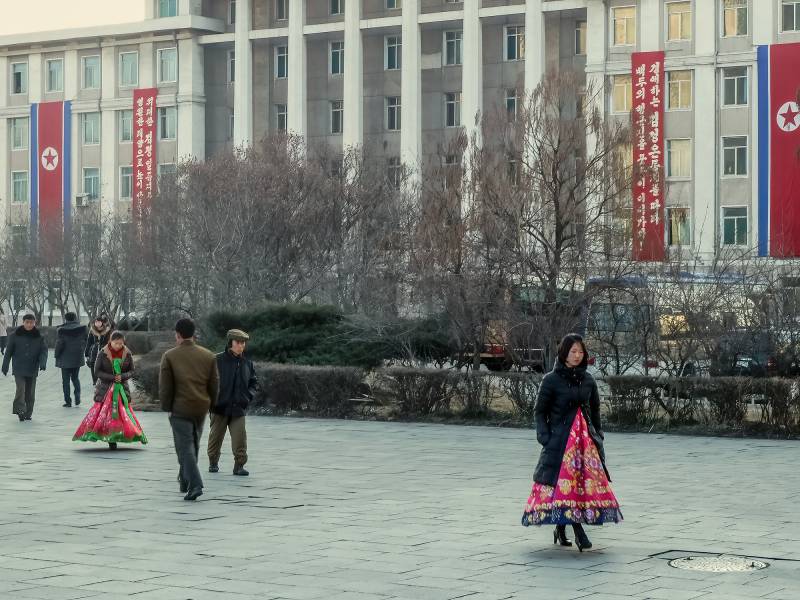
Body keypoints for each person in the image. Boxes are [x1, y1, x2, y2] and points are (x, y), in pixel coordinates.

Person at [521, 333, 622, 551]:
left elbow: (595, 410)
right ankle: (578, 531)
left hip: (585, 445)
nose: (577, 356)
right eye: (573, 351)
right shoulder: (551, 380)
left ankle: (560, 527)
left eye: (580, 352)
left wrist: (598, 433)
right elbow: (540, 412)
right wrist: (544, 436)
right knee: (564, 484)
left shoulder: (588, 380)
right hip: (560, 442)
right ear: (564, 353)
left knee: (579, 486)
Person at [160, 318, 219, 501]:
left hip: (180, 408)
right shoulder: (208, 355)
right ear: (193, 334)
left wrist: (167, 407)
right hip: (201, 408)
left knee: (184, 447)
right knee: (193, 444)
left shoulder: (169, 356)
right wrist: (213, 404)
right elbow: (214, 384)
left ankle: (195, 484)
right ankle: (185, 479)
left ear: (177, 334)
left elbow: (166, 387)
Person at [73, 331, 148, 449]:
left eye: (121, 343)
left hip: (121, 389)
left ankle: (121, 434)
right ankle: (108, 437)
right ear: (110, 342)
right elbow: (97, 371)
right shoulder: (102, 353)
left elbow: (132, 371)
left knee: (122, 413)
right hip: (105, 389)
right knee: (105, 413)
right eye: (116, 343)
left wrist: (122, 377)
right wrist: (113, 378)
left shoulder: (127, 353)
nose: (118, 345)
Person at [208, 329, 258, 477]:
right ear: (231, 343)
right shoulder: (217, 360)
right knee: (215, 438)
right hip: (219, 408)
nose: (241, 346)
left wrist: (247, 397)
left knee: (240, 439)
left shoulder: (247, 363)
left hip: (238, 409)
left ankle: (239, 466)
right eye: (238, 342)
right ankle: (213, 462)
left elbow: (254, 383)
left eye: (243, 343)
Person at [1, 314, 48, 421]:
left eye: (31, 322)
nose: (29, 324)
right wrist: (5, 366)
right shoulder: (14, 335)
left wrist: (43, 363)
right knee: (20, 389)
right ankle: (20, 410)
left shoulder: (39, 336)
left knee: (30, 392)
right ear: (23, 322)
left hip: (32, 367)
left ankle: (28, 412)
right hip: (19, 367)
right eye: (27, 322)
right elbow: (8, 352)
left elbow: (43, 351)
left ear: (34, 323)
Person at [55, 312, 88, 407]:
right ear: (75, 318)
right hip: (77, 357)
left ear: (66, 319)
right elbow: (85, 340)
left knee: (65, 381)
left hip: (65, 358)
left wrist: (57, 355)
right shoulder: (82, 328)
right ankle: (77, 397)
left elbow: (59, 344)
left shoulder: (61, 330)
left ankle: (68, 401)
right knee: (75, 378)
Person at [85, 314, 113, 384]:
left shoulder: (107, 331)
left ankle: (102, 381)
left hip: (104, 351)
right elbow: (89, 342)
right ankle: (95, 381)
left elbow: (109, 342)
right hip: (93, 351)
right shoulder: (92, 331)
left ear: (102, 322)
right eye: (96, 322)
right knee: (93, 366)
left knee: (103, 366)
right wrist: (86, 353)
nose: (97, 323)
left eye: (99, 322)